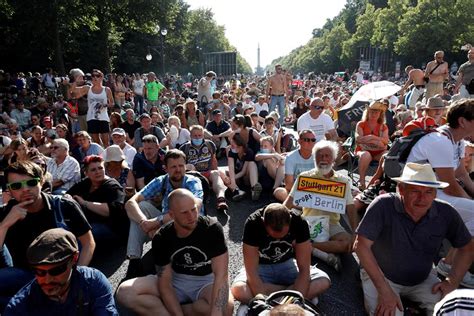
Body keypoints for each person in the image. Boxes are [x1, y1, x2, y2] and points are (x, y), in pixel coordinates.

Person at [353, 163, 474, 315]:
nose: (422, 198)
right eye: (415, 191)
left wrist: (452, 282)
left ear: (435, 194)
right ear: (401, 190)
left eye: (429, 192)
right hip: (381, 276)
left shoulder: (445, 212)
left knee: (455, 310)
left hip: (422, 278)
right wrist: (384, 290)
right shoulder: (383, 205)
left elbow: (467, 248)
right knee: (388, 313)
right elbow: (360, 246)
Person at [117, 189, 234, 316]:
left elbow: (221, 276)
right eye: (184, 213)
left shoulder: (212, 228)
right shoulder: (162, 237)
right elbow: (165, 284)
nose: (191, 216)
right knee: (125, 292)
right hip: (176, 279)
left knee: (225, 308)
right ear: (171, 215)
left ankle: (186, 309)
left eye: (194, 209)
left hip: (206, 281)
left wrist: (216, 313)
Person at [0, 161, 95, 311]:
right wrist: (5, 224)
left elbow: (89, 243)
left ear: (41, 181)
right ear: (9, 191)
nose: (25, 190)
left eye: (31, 183)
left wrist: (75, 277)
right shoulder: (7, 213)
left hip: (61, 274)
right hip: (27, 274)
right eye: (17, 186)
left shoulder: (64, 206)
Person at [406, 98, 474, 287]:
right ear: (462, 121)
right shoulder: (440, 141)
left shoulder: (457, 140)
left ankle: (451, 262)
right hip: (421, 193)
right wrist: (470, 199)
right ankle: (451, 265)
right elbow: (450, 184)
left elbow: (462, 173)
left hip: (436, 190)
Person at [230, 203, 331, 311]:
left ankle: (273, 300)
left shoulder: (299, 222)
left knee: (323, 281)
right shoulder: (253, 223)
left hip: (287, 264)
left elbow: (304, 269)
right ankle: (298, 297)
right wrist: (265, 305)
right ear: (263, 221)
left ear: (290, 219)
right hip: (261, 267)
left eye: (282, 235)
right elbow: (252, 271)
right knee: (238, 290)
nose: (278, 239)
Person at [124, 149, 204, 278]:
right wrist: (144, 223)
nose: (178, 169)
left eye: (181, 166)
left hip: (189, 228)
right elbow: (130, 203)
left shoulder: (192, 182)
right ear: (165, 168)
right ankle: (134, 261)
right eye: (173, 166)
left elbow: (195, 207)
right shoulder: (161, 181)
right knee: (141, 206)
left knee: (154, 269)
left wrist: (155, 222)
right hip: (166, 226)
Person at [4, 228, 117, 315]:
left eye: (56, 270)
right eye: (40, 272)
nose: (47, 280)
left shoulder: (93, 282)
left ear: (74, 259)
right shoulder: (19, 307)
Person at [284, 140, 355, 271]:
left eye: (327, 156)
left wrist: (356, 234)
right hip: (307, 222)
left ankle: (308, 247)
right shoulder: (304, 177)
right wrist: (277, 219)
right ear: (314, 158)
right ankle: (323, 253)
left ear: (333, 159)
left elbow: (351, 208)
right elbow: (289, 202)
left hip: (332, 224)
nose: (323, 159)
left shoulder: (343, 181)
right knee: (282, 236)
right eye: (319, 155)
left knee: (348, 243)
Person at [67, 155, 127, 243]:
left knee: (82, 236)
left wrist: (84, 203)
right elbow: (68, 194)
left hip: (111, 228)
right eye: (93, 170)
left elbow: (111, 211)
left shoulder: (113, 186)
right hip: (89, 222)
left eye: (100, 168)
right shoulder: (86, 182)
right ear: (86, 173)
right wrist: (68, 198)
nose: (98, 172)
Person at [180, 125, 229, 211]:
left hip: (207, 172)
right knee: (189, 166)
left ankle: (221, 199)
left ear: (203, 135)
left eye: (200, 135)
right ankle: (194, 201)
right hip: (193, 174)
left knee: (215, 173)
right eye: (195, 136)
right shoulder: (184, 148)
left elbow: (214, 160)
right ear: (190, 136)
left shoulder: (210, 144)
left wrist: (217, 172)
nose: (197, 137)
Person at [70, 69, 113, 147]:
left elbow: (112, 103)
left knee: (106, 143)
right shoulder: (87, 88)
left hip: (103, 118)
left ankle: (108, 158)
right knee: (96, 143)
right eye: (93, 76)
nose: (95, 78)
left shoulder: (107, 89)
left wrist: (104, 105)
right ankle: (99, 158)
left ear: (101, 77)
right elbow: (73, 91)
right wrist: (76, 80)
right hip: (91, 118)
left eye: (98, 76)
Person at [273, 130, 317, 202]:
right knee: (278, 192)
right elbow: (289, 185)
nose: (310, 142)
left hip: (315, 191)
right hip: (296, 191)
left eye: (313, 140)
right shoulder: (290, 157)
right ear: (299, 141)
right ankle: (307, 206)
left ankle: (301, 206)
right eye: (307, 140)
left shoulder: (319, 156)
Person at [355, 101, 389, 191]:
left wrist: (372, 137)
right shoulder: (361, 124)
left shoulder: (383, 126)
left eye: (376, 112)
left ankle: (379, 181)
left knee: (387, 156)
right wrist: (377, 140)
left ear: (380, 114)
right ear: (367, 112)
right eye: (372, 111)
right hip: (363, 150)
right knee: (366, 155)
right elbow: (359, 139)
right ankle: (362, 181)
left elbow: (386, 141)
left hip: (378, 152)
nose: (374, 114)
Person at [227, 134, 262, 201]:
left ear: (240, 145)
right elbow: (231, 168)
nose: (232, 147)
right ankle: (237, 191)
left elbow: (243, 171)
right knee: (222, 173)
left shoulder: (249, 152)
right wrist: (232, 180)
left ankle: (254, 188)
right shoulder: (231, 152)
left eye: (234, 145)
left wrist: (232, 178)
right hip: (237, 178)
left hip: (246, 177)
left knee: (252, 164)